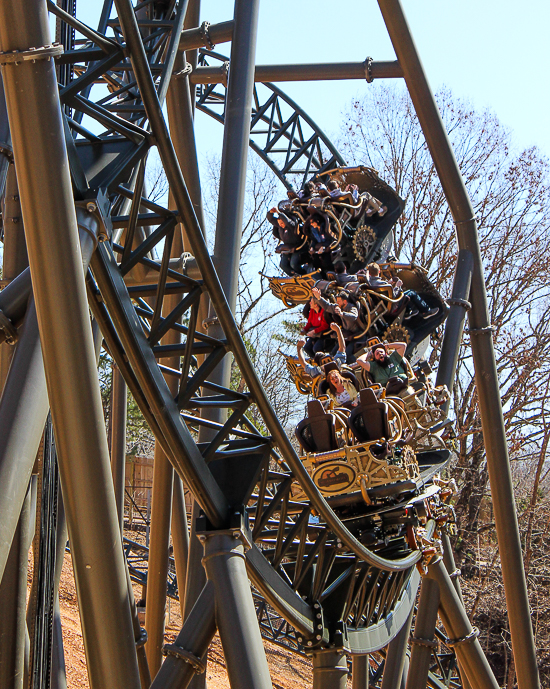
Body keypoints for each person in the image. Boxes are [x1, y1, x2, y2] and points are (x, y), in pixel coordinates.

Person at [366, 263, 439, 319]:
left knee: (405, 293)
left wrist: (389, 283)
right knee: (411, 292)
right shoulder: (382, 284)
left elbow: (382, 290)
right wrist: (398, 286)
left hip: (380, 306)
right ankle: (426, 311)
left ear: (369, 273)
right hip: (391, 307)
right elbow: (393, 296)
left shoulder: (369, 283)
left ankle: (409, 311)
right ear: (379, 271)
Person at [312, 286, 364, 363]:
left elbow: (354, 316)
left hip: (357, 336)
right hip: (347, 335)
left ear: (345, 302)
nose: (337, 303)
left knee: (348, 354)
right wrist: (319, 298)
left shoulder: (351, 307)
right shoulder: (338, 307)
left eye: (339, 301)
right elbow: (327, 306)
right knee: (333, 353)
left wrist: (342, 314)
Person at [267, 207, 308, 276]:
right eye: (279, 223)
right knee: (283, 265)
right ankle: (293, 275)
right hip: (287, 247)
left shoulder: (291, 225)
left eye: (282, 223)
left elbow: (287, 221)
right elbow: (271, 219)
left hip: (297, 247)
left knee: (293, 264)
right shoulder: (280, 226)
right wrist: (270, 213)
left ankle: (303, 275)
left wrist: (279, 213)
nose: (281, 225)